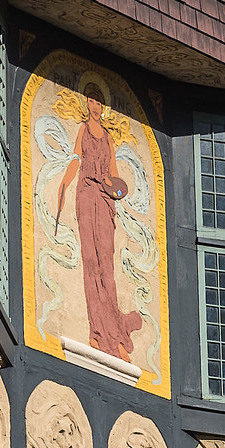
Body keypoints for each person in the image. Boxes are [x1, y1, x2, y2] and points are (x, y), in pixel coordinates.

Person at [54, 85, 139, 360]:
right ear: (87, 104)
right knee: (91, 264)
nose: (95, 105)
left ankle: (115, 334)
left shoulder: (108, 140)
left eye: (99, 101)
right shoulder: (83, 130)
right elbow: (76, 161)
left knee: (107, 268)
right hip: (86, 195)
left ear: (103, 107)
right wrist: (63, 187)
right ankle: (96, 332)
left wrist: (117, 189)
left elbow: (115, 176)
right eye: (91, 99)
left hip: (104, 201)